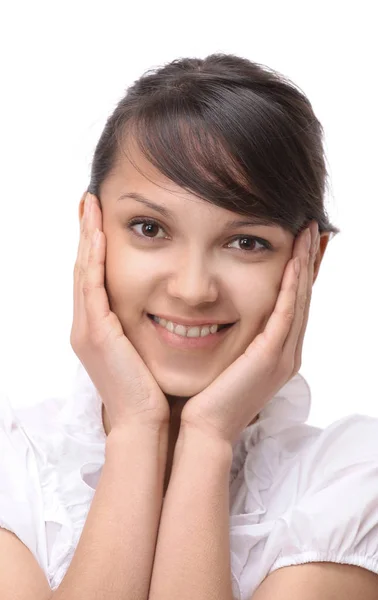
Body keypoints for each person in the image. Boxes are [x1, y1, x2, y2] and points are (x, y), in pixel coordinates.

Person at [0, 53, 377, 600]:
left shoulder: (348, 488)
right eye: (149, 228)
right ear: (92, 229)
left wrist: (206, 441)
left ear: (310, 260)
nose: (193, 289)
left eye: (246, 242)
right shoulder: (16, 468)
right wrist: (135, 433)